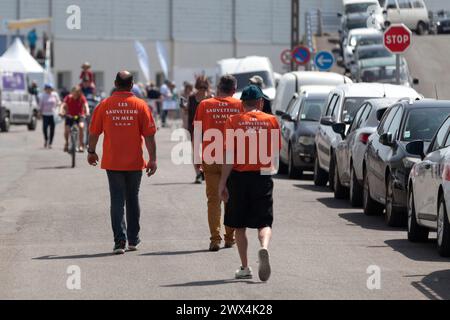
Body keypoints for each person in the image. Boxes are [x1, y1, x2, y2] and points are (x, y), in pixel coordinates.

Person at [87, 71, 157, 255]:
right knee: (132, 199)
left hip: (113, 161)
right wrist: (153, 159)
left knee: (117, 200)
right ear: (132, 85)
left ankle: (120, 242)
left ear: (115, 83)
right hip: (134, 162)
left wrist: (91, 151)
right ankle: (133, 240)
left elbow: (94, 132)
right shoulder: (141, 106)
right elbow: (149, 136)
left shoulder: (104, 105)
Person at [218, 85, 281, 282]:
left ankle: (245, 266)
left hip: (239, 177)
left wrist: (222, 183)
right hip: (263, 175)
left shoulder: (233, 121)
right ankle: (264, 247)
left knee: (239, 225)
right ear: (261, 102)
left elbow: (228, 155)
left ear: (241, 104)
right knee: (264, 222)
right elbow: (276, 151)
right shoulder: (271, 120)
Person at [194, 75, 243, 252]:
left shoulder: (204, 105)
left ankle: (215, 239)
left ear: (218, 87)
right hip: (232, 159)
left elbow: (197, 132)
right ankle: (229, 238)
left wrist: (196, 158)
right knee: (230, 199)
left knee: (213, 200)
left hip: (210, 156)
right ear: (234, 90)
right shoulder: (239, 105)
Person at [188, 76, 211, 184]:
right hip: (195, 127)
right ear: (197, 86)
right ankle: (198, 174)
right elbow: (188, 114)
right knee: (196, 152)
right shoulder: (192, 98)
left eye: (204, 86)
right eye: (200, 86)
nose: (202, 88)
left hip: (208, 127)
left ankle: (204, 172)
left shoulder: (211, 97)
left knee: (207, 152)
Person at [60, 86, 89, 153]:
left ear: (79, 93)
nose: (75, 95)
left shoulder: (82, 98)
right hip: (70, 116)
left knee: (81, 127)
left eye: (77, 93)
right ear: (72, 92)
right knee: (67, 130)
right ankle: (67, 143)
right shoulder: (68, 97)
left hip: (79, 116)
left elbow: (86, 105)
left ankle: (81, 145)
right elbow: (63, 105)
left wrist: (87, 112)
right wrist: (61, 111)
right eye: (74, 93)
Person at [38, 84, 61, 149]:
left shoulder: (55, 94)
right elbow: (40, 104)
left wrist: (59, 105)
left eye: (50, 88)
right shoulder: (43, 95)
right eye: (47, 88)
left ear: (52, 89)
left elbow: (58, 101)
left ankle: (50, 143)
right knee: (44, 128)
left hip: (53, 114)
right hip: (45, 114)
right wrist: (39, 112)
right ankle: (46, 139)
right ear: (45, 89)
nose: (48, 90)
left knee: (52, 129)